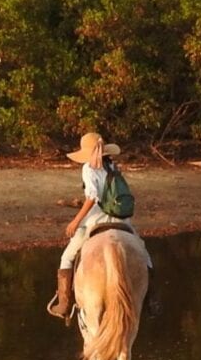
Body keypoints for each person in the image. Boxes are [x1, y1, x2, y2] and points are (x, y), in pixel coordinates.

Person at [46, 131, 142, 319]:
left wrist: (75, 221)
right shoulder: (112, 166)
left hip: (95, 222)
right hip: (121, 221)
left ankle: (64, 303)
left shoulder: (89, 169)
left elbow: (92, 197)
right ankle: (152, 298)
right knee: (143, 253)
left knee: (67, 257)